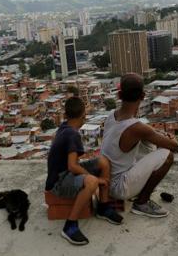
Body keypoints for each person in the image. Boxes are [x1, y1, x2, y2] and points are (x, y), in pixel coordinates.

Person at [45, 97, 123, 246]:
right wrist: (97, 179)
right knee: (92, 182)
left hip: (65, 173)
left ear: (66, 115)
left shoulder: (65, 127)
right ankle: (70, 225)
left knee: (103, 162)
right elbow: (73, 167)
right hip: (58, 182)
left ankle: (103, 207)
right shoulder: (72, 134)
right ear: (83, 116)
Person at [101, 73, 178, 218]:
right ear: (143, 96)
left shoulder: (112, 114)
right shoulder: (137, 127)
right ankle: (142, 202)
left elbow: (142, 131)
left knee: (148, 141)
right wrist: (170, 138)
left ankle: (139, 191)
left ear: (119, 95)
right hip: (119, 188)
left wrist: (156, 135)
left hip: (105, 182)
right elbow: (174, 146)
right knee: (167, 155)